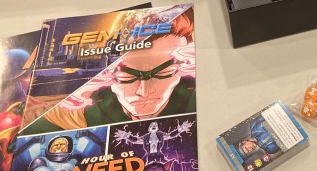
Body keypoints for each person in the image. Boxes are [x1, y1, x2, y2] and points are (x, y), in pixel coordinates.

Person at [21, 11, 196, 134]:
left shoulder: (195, 100)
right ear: (108, 75)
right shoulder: (82, 112)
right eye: (127, 77)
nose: (143, 91)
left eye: (164, 73)